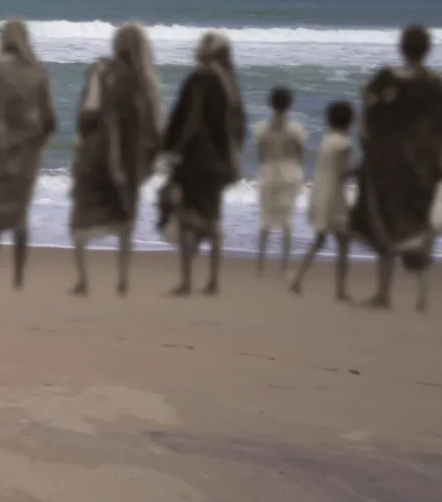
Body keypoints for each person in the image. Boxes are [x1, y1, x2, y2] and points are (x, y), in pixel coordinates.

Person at [349, 24, 442, 313]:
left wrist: (368, 153)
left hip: (389, 164)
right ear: (427, 49)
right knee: (418, 225)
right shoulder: (436, 85)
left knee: (386, 223)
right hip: (424, 166)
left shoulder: (385, 80)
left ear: (402, 48)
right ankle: (423, 296)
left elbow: (367, 122)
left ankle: (383, 293)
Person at [66, 24, 162, 297]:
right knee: (124, 217)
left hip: (97, 153)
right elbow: (154, 126)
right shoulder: (144, 79)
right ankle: (123, 279)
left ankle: (83, 280)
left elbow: (88, 113)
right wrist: (151, 159)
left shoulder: (102, 71)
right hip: (131, 158)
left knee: (82, 217)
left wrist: (83, 140)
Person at [157, 32, 245, 296]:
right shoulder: (229, 83)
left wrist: (172, 150)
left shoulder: (200, 79)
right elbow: (238, 128)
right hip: (220, 161)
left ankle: (186, 282)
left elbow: (188, 118)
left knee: (185, 217)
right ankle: (213, 281)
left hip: (195, 159)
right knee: (213, 216)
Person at [0, 19, 56, 290]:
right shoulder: (38, 73)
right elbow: (50, 120)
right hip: (27, 155)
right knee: (20, 216)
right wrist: (38, 145)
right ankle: (19, 277)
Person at [290, 100, 357, 300]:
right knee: (343, 243)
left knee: (319, 240)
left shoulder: (327, 140)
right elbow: (343, 174)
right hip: (334, 198)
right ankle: (340, 290)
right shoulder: (345, 144)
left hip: (319, 193)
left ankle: (298, 278)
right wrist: (362, 170)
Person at [254, 87, 307, 276]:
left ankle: (260, 265)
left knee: (265, 218)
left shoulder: (261, 128)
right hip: (290, 173)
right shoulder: (296, 129)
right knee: (287, 219)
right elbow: (300, 154)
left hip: (268, 172)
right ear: (289, 104)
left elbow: (261, 155)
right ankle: (284, 266)